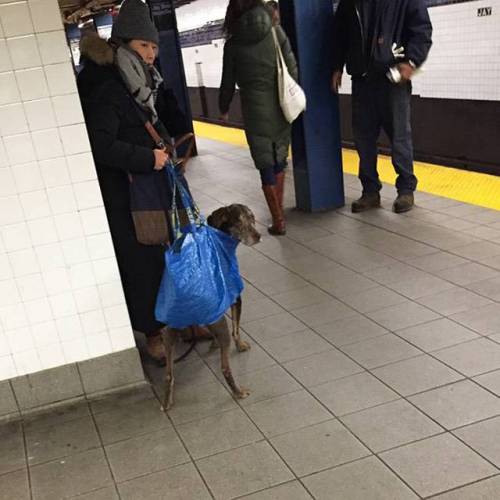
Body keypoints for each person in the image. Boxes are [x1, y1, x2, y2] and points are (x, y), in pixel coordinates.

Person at [77, 0, 197, 364]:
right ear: (124, 43)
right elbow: (101, 145)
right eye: (145, 46)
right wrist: (149, 157)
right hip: (126, 194)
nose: (151, 54)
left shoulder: (136, 80)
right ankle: (153, 334)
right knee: (142, 262)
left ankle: (182, 319)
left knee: (168, 252)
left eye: (155, 46)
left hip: (150, 186)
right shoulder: (106, 85)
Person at [331, 0, 432, 213]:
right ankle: (370, 192)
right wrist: (336, 66)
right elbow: (339, 35)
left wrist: (412, 61)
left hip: (392, 81)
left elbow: (421, 31)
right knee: (364, 139)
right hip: (362, 80)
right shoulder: (349, 3)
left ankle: (405, 189)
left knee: (399, 137)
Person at [219, 0, 298, 236]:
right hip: (281, 105)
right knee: (280, 158)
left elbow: (227, 82)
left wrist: (223, 107)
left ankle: (279, 220)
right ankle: (280, 216)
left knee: (265, 164)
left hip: (254, 110)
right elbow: (292, 67)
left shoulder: (232, 45)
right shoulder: (276, 31)